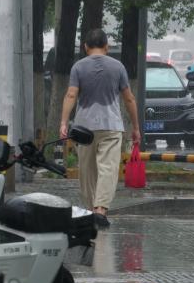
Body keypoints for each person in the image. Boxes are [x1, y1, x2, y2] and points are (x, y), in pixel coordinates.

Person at [59, 28, 141, 227]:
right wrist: (136, 127)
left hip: (83, 127)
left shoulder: (78, 67)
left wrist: (63, 122)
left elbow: (71, 95)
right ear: (107, 47)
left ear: (86, 47)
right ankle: (101, 209)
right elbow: (129, 99)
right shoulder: (118, 66)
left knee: (87, 171)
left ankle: (89, 210)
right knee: (108, 169)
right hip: (111, 126)